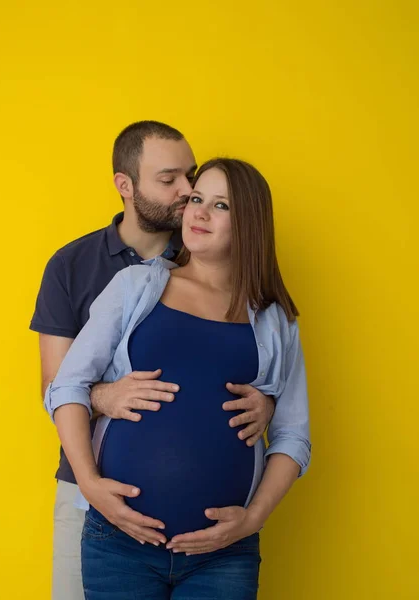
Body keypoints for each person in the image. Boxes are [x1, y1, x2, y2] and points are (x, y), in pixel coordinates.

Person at [45, 158, 311, 600]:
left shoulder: (275, 319)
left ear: (250, 222)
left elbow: (293, 437)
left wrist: (252, 519)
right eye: (195, 200)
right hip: (119, 543)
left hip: (224, 554)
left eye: (220, 205)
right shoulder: (134, 286)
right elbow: (66, 387)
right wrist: (90, 485)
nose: (199, 213)